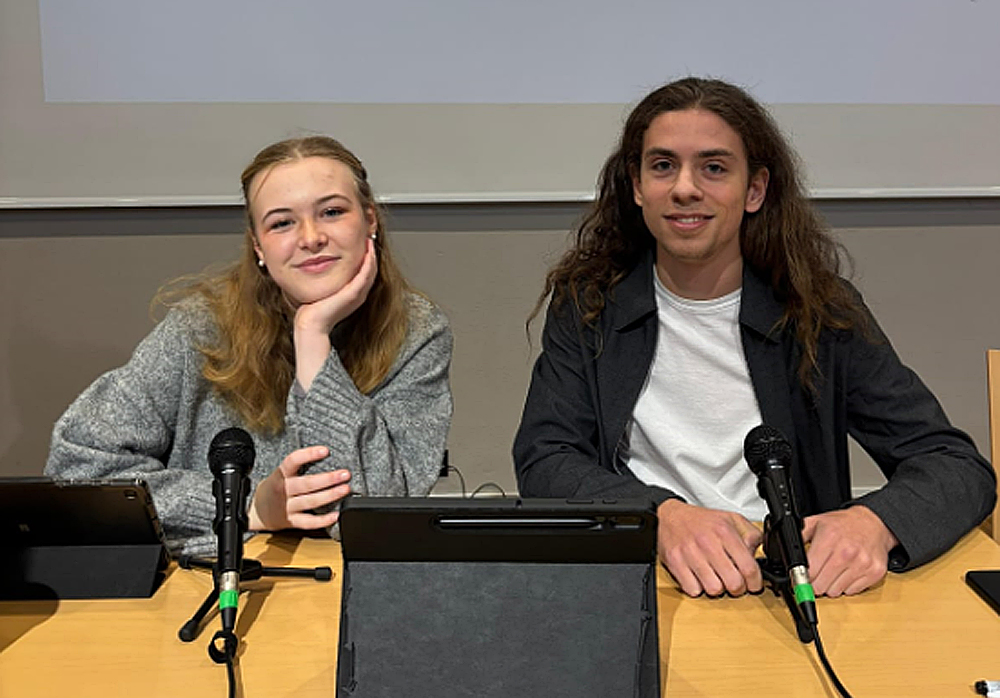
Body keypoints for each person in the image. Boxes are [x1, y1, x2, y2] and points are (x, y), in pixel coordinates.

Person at [513, 77, 995, 599]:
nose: (684, 188)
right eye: (662, 165)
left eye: (714, 168)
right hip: (646, 580)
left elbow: (955, 465)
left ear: (756, 190)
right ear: (636, 186)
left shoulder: (818, 311)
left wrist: (875, 521)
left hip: (790, 590)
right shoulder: (589, 306)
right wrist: (659, 515)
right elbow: (546, 458)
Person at [46, 136, 453, 554]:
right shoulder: (200, 327)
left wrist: (312, 336)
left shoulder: (417, 332)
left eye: (331, 212)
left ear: (370, 220)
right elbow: (78, 469)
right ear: (258, 246)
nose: (311, 237)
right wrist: (246, 506)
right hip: (205, 587)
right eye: (282, 223)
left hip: (358, 590)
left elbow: (372, 518)